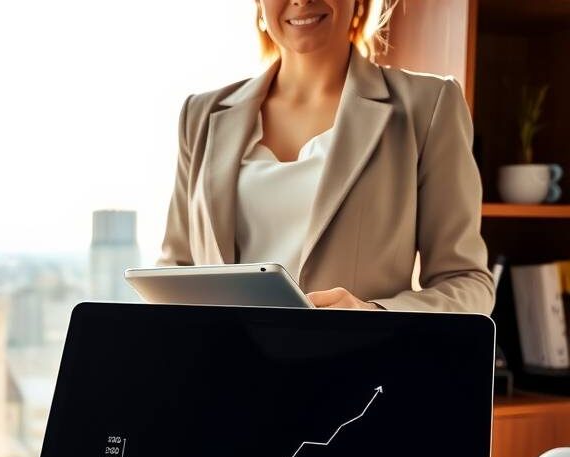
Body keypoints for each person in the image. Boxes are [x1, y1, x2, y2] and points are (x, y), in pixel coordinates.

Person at [159, 0, 494, 313]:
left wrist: (373, 316)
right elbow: (173, 271)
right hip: (228, 371)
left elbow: (468, 283)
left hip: (356, 369)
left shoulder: (428, 106)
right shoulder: (201, 116)